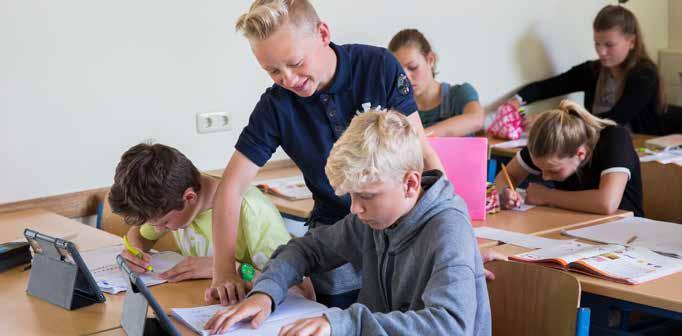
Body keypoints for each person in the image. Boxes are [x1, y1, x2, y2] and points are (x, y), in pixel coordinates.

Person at [206, 0, 444, 309]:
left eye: (296, 62)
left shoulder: (378, 66)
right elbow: (231, 188)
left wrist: (454, 235)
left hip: (400, 226)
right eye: (273, 71)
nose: (288, 79)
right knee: (330, 316)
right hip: (334, 235)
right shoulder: (276, 106)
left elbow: (423, 157)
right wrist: (223, 271)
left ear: (322, 34)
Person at [205, 110, 491, 336]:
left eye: (366, 195)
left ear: (410, 183)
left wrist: (345, 324)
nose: (355, 208)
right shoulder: (374, 220)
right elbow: (306, 250)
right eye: (352, 195)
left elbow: (450, 326)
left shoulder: (448, 230)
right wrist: (266, 292)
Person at [108, 143, 314, 299]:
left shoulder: (250, 210)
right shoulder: (172, 196)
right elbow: (139, 233)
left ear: (189, 197)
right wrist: (134, 251)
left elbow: (301, 291)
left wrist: (230, 268)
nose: (158, 229)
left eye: (163, 223)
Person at [507, 5, 665, 135]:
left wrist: (555, 120)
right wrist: (517, 99)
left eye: (609, 45)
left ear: (631, 42)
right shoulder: (593, 70)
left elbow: (614, 119)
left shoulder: (645, 75)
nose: (601, 52)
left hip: (639, 150)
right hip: (599, 145)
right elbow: (550, 86)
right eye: (597, 44)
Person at [495, 100, 643, 217]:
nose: (546, 177)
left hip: (625, 232)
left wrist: (547, 196)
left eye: (554, 171)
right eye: (540, 170)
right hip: (573, 225)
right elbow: (506, 176)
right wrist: (506, 192)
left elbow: (606, 203)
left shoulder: (614, 138)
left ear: (580, 154)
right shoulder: (545, 145)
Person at [389, 29, 485, 136]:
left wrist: (421, 138)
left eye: (413, 67)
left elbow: (477, 119)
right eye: (399, 72)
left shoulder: (460, 93)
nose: (405, 78)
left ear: (430, 59)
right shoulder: (394, 108)